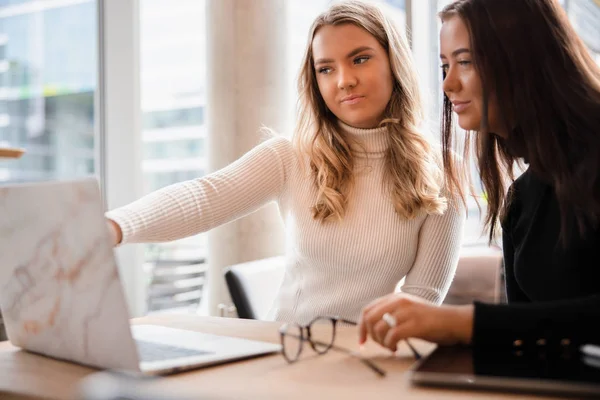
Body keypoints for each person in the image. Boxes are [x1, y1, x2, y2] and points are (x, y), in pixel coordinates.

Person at [105, 0, 465, 325]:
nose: (344, 80)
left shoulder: (443, 170)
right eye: (326, 68)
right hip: (283, 351)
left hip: (368, 360)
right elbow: (204, 198)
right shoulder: (291, 155)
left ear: (394, 62)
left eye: (360, 58)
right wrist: (113, 227)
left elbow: (422, 299)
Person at [358, 0, 600, 356]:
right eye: (444, 66)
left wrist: (463, 323)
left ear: (522, 60)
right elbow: (526, 342)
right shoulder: (523, 199)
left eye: (465, 62)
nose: (448, 84)